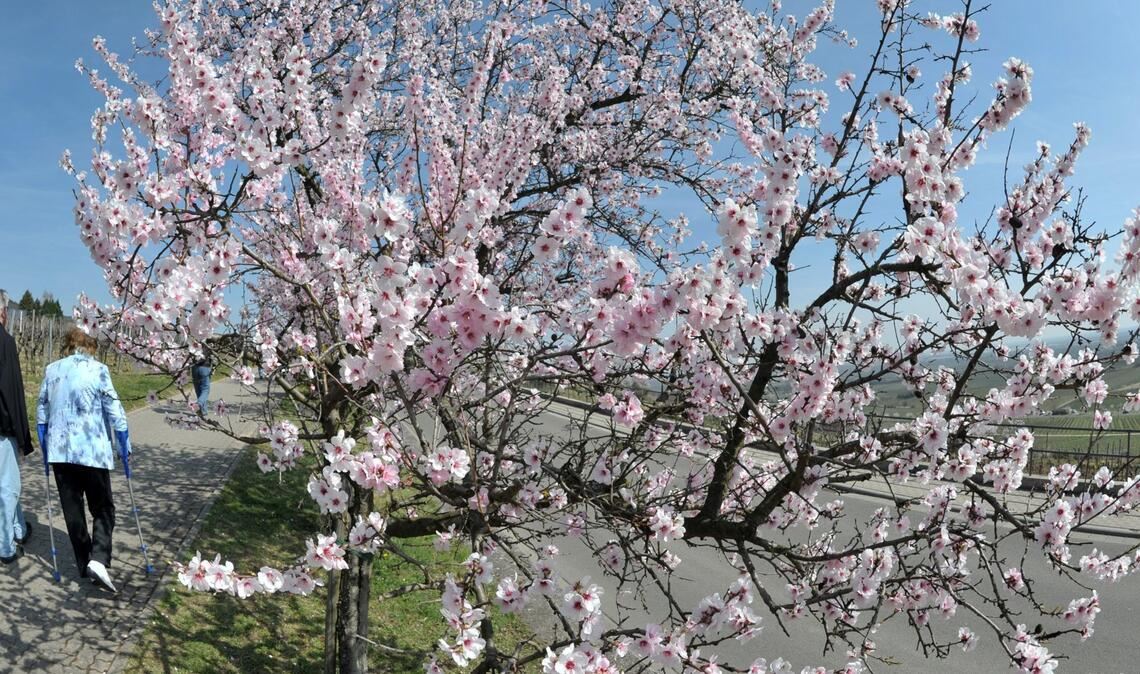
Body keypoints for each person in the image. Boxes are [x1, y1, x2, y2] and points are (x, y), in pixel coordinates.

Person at [36, 327, 130, 591]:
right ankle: (98, 559)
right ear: (89, 344)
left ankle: (84, 563)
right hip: (91, 450)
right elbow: (113, 406)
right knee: (102, 507)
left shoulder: (52, 370)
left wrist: (43, 439)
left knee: (72, 509)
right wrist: (123, 436)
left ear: (67, 345)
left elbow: (41, 407)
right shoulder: (98, 369)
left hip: (60, 451)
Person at [0, 289, 33, 564]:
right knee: (8, 487)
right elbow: (12, 392)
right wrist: (23, 436)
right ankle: (6, 547)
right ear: (2, 312)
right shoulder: (5, 342)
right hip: (1, 429)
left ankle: (18, 528)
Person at [191, 350, 213, 415]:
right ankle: (199, 403)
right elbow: (212, 357)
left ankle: (203, 411)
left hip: (194, 368)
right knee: (205, 389)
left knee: (198, 390)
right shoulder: (207, 344)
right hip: (205, 367)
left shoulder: (192, 343)